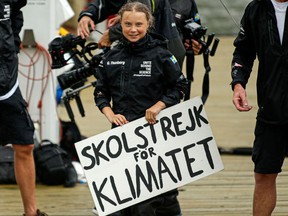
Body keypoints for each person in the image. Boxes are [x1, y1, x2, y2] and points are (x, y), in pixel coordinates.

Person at [94, 2, 188, 215]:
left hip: (155, 131)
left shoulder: (162, 55)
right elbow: (100, 92)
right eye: (127, 24)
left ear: (149, 24)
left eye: (138, 24)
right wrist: (110, 114)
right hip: (122, 134)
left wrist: (159, 105)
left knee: (159, 194)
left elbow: (180, 86)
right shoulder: (110, 57)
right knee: (124, 193)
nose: (133, 29)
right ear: (120, 24)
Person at [230, 0, 288, 215]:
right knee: (264, 175)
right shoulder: (256, 9)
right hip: (270, 109)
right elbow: (243, 52)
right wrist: (238, 84)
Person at [0, 1, 48, 216]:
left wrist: (13, 42)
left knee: (25, 144)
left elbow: (16, 14)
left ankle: (31, 213)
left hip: (7, 83)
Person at [77, 0, 193, 69]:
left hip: (163, 54)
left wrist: (111, 34)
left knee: (160, 103)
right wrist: (88, 14)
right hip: (143, 52)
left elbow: (140, 13)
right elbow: (108, 2)